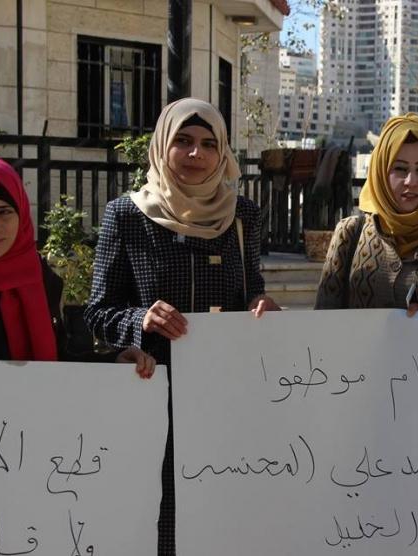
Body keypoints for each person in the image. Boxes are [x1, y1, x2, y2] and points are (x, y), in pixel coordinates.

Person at [84, 98, 279, 556]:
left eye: (209, 144)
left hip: (224, 396)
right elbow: (97, 312)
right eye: (184, 141)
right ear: (162, 146)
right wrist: (140, 319)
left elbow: (251, 291)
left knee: (222, 516)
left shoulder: (241, 216)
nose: (196, 154)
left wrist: (261, 306)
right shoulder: (127, 215)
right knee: (158, 518)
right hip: (153, 394)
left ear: (223, 152)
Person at [0, 157, 153, 373]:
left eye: (4, 212)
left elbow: (57, 359)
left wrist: (114, 361)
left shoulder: (37, 276)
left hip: (31, 395)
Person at [315, 113, 418, 312]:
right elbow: (323, 318)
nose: (411, 181)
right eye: (400, 168)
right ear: (381, 171)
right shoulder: (350, 234)